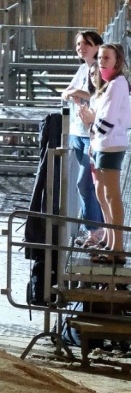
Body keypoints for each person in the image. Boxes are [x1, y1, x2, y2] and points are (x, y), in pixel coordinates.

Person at [79, 44, 131, 264]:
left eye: (106, 58)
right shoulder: (108, 84)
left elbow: (106, 121)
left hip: (111, 145)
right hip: (101, 144)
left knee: (111, 195)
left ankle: (117, 247)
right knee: (101, 193)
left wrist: (91, 122)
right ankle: (110, 240)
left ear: (117, 61)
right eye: (100, 57)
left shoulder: (118, 83)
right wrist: (92, 125)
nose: (101, 61)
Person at [60, 31, 105, 249]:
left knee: (85, 183)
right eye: (78, 44)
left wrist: (77, 92)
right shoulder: (82, 68)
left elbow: (98, 94)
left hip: (92, 133)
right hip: (77, 132)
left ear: (97, 46)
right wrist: (73, 92)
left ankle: (95, 231)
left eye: (86, 43)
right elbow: (67, 91)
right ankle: (97, 231)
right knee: (90, 184)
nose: (81, 47)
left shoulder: (99, 69)